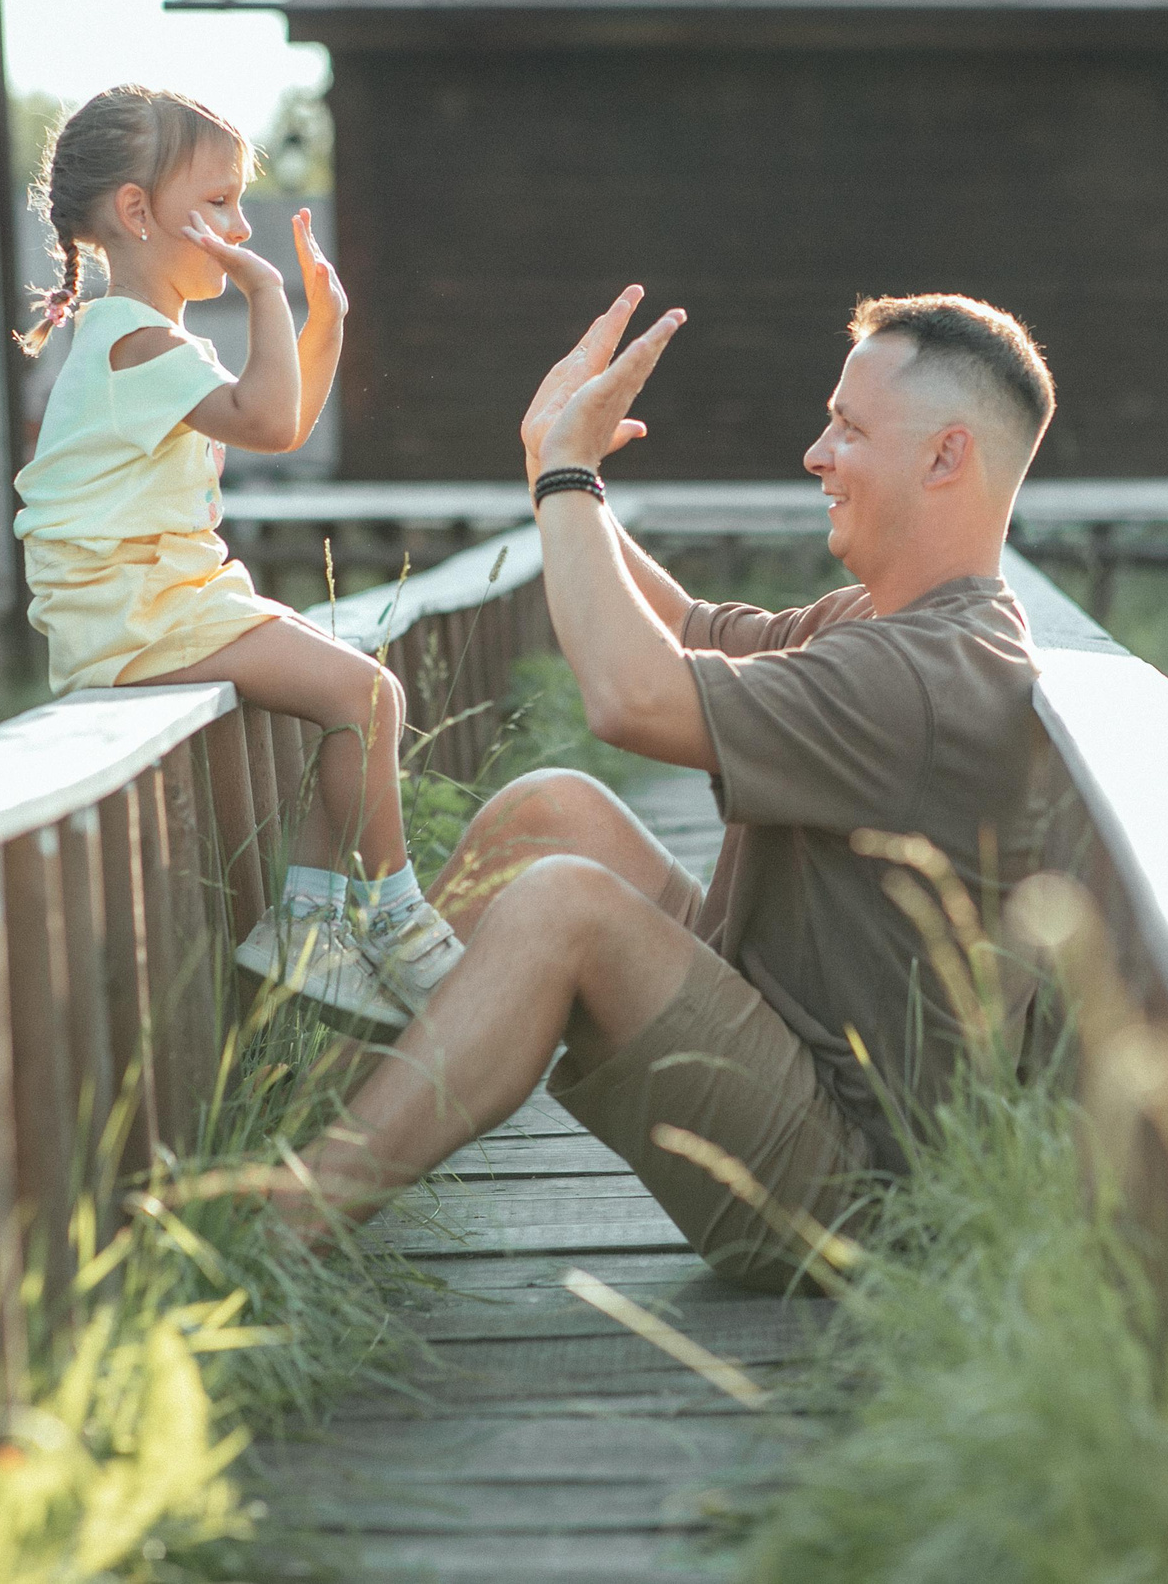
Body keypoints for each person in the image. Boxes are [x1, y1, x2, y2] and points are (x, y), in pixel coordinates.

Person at [275, 286, 1066, 1290]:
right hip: (788, 1057)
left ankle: (276, 1230)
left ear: (944, 456)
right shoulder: (885, 625)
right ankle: (313, 1137)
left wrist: (565, 476)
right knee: (548, 813)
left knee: (567, 907)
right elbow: (686, 631)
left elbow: (631, 696)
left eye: (847, 428)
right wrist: (562, 478)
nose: (817, 454)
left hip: (860, 1203)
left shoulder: (928, 674)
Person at [11, 84, 459, 1034]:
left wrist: (320, 322)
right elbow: (267, 417)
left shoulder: (144, 340)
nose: (239, 225)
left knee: (356, 691)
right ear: (137, 212)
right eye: (216, 203)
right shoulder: (134, 340)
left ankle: (306, 919)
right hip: (136, 610)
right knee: (366, 698)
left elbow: (281, 422)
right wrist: (265, 288)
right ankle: (389, 916)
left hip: (165, 597)